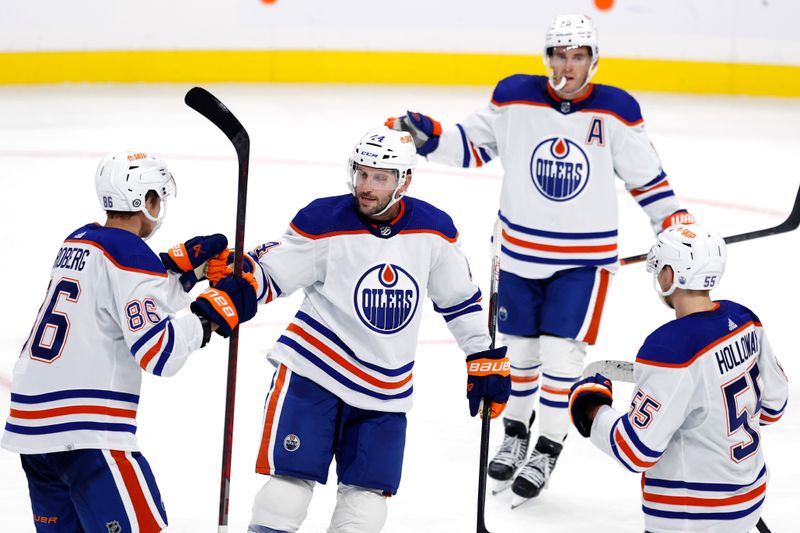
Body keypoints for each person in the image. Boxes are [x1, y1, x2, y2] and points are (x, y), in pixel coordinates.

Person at [386, 13, 695, 503]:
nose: (568, 67)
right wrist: (428, 137)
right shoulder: (515, 97)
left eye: (578, 57)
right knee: (518, 354)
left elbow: (649, 180)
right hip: (518, 255)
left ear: (593, 60)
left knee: (561, 356)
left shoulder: (615, 110)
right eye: (560, 55)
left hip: (582, 261)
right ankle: (515, 433)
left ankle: (549, 445)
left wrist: (674, 221)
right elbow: (470, 146)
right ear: (547, 57)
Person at [216, 127, 510, 533]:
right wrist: (242, 285)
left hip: (386, 391)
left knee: (366, 505)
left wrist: (481, 355)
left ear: (403, 181)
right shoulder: (324, 221)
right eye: (361, 173)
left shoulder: (433, 231)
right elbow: (272, 273)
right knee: (287, 491)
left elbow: (458, 299)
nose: (365, 187)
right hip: (314, 373)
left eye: (379, 177)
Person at [1, 151, 258, 532]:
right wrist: (212, 314)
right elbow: (159, 353)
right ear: (147, 202)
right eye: (158, 198)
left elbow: (120, 302)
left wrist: (183, 274)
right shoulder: (132, 256)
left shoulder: (79, 241)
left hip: (33, 432)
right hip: (86, 433)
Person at [569, 224, 789, 533]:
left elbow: (636, 450)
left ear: (670, 276)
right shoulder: (745, 320)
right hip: (749, 498)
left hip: (693, 516)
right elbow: (773, 407)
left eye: (659, 269)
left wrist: (591, 408)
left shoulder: (669, 349)